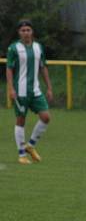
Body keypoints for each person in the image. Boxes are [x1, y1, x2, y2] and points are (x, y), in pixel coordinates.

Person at [5, 19, 53, 165]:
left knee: (46, 117)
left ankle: (30, 146)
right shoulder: (14, 48)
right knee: (21, 120)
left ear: (32, 32)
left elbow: (43, 67)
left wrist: (49, 87)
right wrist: (11, 89)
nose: (26, 33)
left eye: (28, 30)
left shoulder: (38, 47)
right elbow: (9, 68)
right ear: (19, 33)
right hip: (21, 91)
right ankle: (21, 155)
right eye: (23, 30)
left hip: (35, 90)